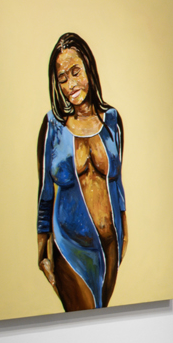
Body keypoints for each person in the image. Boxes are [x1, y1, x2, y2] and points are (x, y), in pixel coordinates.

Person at [36, 32, 127, 311]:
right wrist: (42, 253)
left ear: (89, 68)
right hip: (70, 249)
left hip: (110, 248)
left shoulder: (112, 121)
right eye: (62, 78)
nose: (71, 84)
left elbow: (118, 187)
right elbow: (44, 194)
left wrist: (124, 236)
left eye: (75, 72)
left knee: (99, 321)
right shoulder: (53, 127)